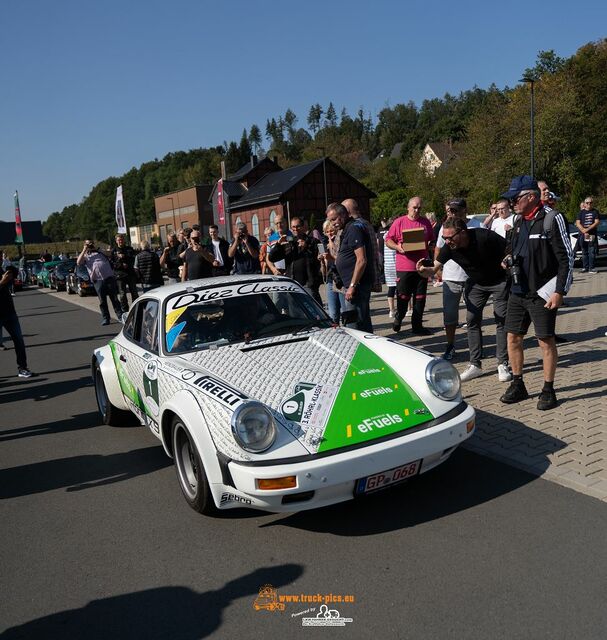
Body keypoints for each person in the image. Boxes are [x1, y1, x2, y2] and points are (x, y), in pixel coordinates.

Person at [499, 175, 574, 410]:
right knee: (512, 338)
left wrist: (559, 291)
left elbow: (566, 259)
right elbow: (513, 250)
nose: (512, 203)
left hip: (542, 293)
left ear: (531, 197)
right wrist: (506, 260)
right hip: (517, 291)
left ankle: (548, 389)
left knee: (545, 341)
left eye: (516, 198)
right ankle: (518, 384)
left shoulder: (552, 218)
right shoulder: (519, 221)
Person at [419, 217, 511, 382]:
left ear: (463, 233)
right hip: (476, 284)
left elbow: (510, 248)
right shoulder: (449, 248)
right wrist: (423, 270)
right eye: (444, 238)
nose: (447, 241)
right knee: (472, 320)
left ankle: (502, 363)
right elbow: (434, 269)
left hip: (499, 281)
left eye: (450, 237)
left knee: (501, 319)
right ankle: (475, 365)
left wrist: (508, 260)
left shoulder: (484, 236)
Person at [434, 198, 482, 361]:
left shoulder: (477, 224)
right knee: (449, 315)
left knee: (473, 316)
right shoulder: (445, 227)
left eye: (456, 210)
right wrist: (437, 269)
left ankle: (475, 349)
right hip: (451, 277)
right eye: (451, 210)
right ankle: (450, 346)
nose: (452, 213)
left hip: (472, 277)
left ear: (464, 210)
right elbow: (439, 248)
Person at [384, 196, 434, 335]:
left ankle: (417, 326)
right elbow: (388, 240)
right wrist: (399, 247)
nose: (417, 210)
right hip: (404, 266)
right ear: (408, 207)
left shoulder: (425, 222)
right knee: (403, 297)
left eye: (419, 208)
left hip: (421, 267)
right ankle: (399, 317)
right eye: (414, 207)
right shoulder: (399, 222)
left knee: (420, 298)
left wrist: (431, 248)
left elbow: (431, 240)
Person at [325, 202, 373, 332]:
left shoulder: (353, 229)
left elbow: (361, 260)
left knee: (355, 325)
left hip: (357, 286)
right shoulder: (346, 229)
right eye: (330, 220)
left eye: (334, 219)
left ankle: (361, 350)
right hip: (352, 285)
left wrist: (352, 286)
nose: (333, 223)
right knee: (360, 321)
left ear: (344, 214)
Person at [268, 217, 322, 302]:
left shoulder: (313, 241)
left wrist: (307, 247)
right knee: (295, 313)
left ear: (303, 226)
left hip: (308, 284)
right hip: (293, 284)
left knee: (314, 312)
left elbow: (320, 258)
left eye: (298, 226)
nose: (295, 229)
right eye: (293, 227)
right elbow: (272, 258)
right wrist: (278, 244)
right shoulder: (289, 242)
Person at [77, 239, 123, 325]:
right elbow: (78, 262)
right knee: (102, 301)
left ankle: (120, 316)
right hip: (97, 280)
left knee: (114, 299)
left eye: (91, 244)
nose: (90, 245)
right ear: (85, 245)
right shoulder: (86, 255)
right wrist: (84, 249)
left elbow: (110, 254)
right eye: (87, 244)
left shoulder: (100, 252)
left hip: (109, 277)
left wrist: (98, 249)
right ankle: (106, 318)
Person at [0, 263, 33, 377]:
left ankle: (22, 368)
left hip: (9, 312)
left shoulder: (2, 270)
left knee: (19, 341)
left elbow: (11, 281)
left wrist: (12, 271)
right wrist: (1, 282)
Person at [110, 234, 138, 313]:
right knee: (122, 295)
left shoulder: (129, 249)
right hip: (120, 275)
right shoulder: (114, 251)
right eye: (119, 240)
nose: (120, 241)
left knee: (134, 293)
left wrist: (124, 257)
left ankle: (135, 309)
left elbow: (133, 259)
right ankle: (125, 310)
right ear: (116, 241)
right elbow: (111, 264)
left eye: (121, 239)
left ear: (124, 240)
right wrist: (120, 264)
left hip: (130, 274)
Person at [576, 196, 600, 273]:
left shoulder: (595, 211)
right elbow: (578, 223)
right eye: (587, 203)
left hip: (591, 235)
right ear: (585, 204)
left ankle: (591, 268)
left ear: (592, 203)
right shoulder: (581, 212)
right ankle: (585, 268)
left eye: (590, 202)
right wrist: (584, 231)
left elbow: (596, 222)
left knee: (592, 251)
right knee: (584, 251)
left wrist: (587, 230)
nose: (589, 204)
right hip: (583, 234)